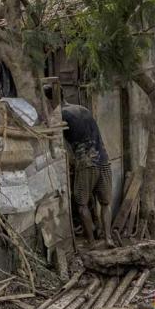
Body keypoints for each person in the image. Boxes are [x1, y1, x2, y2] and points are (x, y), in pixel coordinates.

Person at [43, 85, 114, 247]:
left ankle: (91, 242)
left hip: (86, 162)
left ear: (49, 100)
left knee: (81, 204)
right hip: (103, 159)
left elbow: (55, 141)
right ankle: (108, 238)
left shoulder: (59, 115)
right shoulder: (82, 109)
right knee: (105, 202)